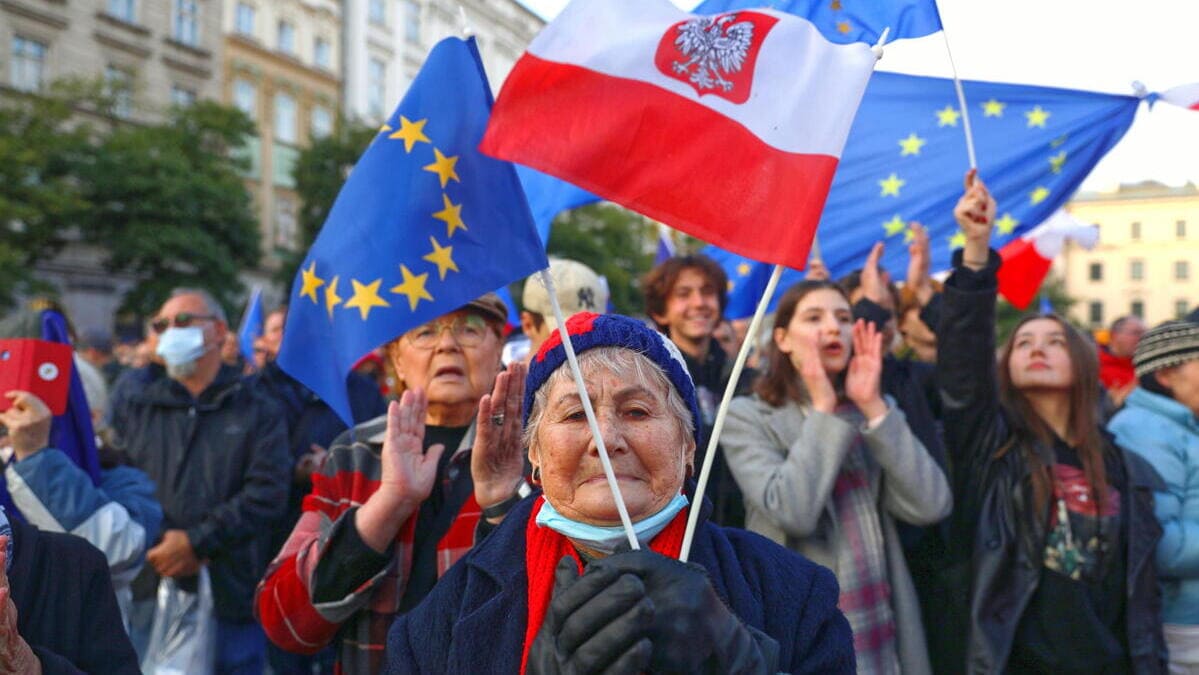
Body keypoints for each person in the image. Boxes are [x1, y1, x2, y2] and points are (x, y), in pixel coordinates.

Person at [386, 312, 855, 673]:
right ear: (534, 454)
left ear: (688, 446)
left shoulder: (796, 593)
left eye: (636, 412)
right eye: (574, 416)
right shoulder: (435, 626)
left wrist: (741, 661)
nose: (605, 439)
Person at [936, 169, 1164, 673]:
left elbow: (1141, 603)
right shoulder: (989, 446)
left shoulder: (1124, 466)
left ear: (1082, 363)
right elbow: (961, 367)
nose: (1037, 347)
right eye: (1023, 342)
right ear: (1006, 365)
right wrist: (976, 252)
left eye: (1055, 341)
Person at [256, 294, 529, 674]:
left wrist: (503, 506)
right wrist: (389, 504)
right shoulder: (355, 453)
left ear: (500, 346)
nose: (446, 344)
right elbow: (283, 620)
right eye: (424, 332)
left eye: (470, 330)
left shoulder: (533, 450)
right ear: (397, 359)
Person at [722, 280, 952, 674]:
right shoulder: (747, 415)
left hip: (882, 629)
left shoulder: (871, 408)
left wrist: (875, 406)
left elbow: (932, 504)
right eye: (814, 318)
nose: (834, 328)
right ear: (783, 340)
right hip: (806, 636)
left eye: (844, 318)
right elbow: (793, 511)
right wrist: (824, 409)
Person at [109, 288, 290, 674]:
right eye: (162, 325)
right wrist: (158, 542)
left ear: (220, 330)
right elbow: (116, 476)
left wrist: (197, 542)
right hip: (148, 585)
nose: (171, 331)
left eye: (183, 321)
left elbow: (267, 493)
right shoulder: (140, 402)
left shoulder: (256, 405)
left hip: (232, 595)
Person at [247, 304, 386, 674]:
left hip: (348, 539)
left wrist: (339, 461)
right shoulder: (260, 388)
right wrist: (293, 466)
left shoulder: (362, 389)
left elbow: (380, 447)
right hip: (272, 534)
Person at [1109, 320, 1199, 673]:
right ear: (1166, 374)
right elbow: (1159, 545)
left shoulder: (1180, 426)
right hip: (1183, 625)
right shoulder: (1142, 429)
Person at [644, 253, 752, 527]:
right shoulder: (651, 379)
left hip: (739, 528)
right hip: (678, 529)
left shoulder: (743, 378)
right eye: (683, 294)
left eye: (707, 292)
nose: (698, 303)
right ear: (661, 312)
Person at [519, 258, 608, 360]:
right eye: (566, 336)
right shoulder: (498, 372)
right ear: (528, 325)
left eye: (593, 334)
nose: (583, 344)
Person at [1101, 316, 1147, 408]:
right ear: (1114, 335)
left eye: (1145, 333)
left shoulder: (1146, 365)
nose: (1143, 338)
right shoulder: (1094, 366)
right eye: (1136, 333)